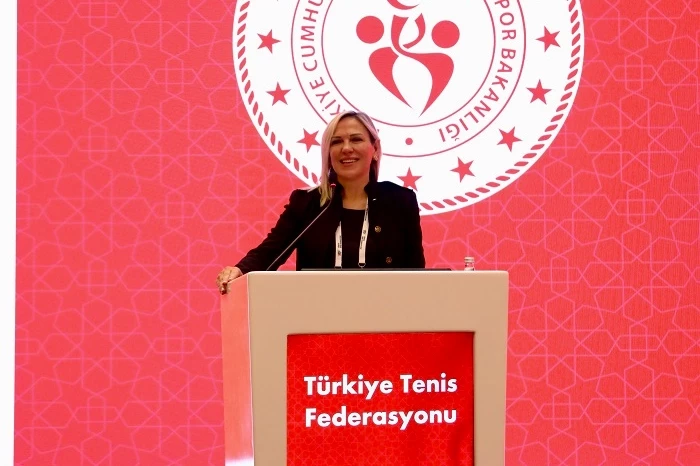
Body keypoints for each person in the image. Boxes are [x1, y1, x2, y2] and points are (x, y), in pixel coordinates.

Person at [216, 110, 425, 293]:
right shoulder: (307, 203)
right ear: (328, 153)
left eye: (356, 139)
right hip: (317, 315)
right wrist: (240, 270)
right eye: (336, 142)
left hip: (385, 316)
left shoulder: (400, 201)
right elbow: (270, 252)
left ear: (375, 149)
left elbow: (418, 275)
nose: (346, 148)